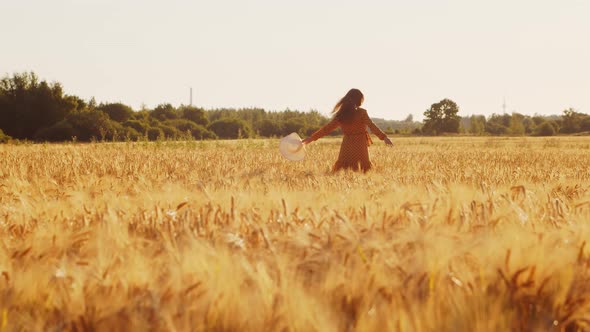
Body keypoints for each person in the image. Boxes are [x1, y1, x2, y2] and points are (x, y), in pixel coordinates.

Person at [302, 88, 393, 172]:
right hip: (360, 144)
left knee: (342, 169)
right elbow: (372, 126)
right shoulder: (361, 113)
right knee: (362, 169)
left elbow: (327, 128)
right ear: (358, 100)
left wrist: (311, 138)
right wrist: (384, 137)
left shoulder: (342, 114)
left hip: (347, 144)